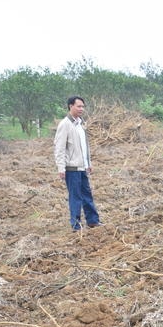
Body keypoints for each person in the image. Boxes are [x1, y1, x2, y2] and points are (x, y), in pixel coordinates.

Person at [53, 96, 103, 231]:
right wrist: (61, 168)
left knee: (87, 195)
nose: (81, 109)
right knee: (75, 198)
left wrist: (88, 163)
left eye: (83, 106)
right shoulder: (65, 124)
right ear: (70, 106)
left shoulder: (81, 124)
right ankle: (76, 225)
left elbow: (84, 146)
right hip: (72, 168)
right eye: (78, 106)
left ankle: (93, 221)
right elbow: (59, 148)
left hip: (82, 167)